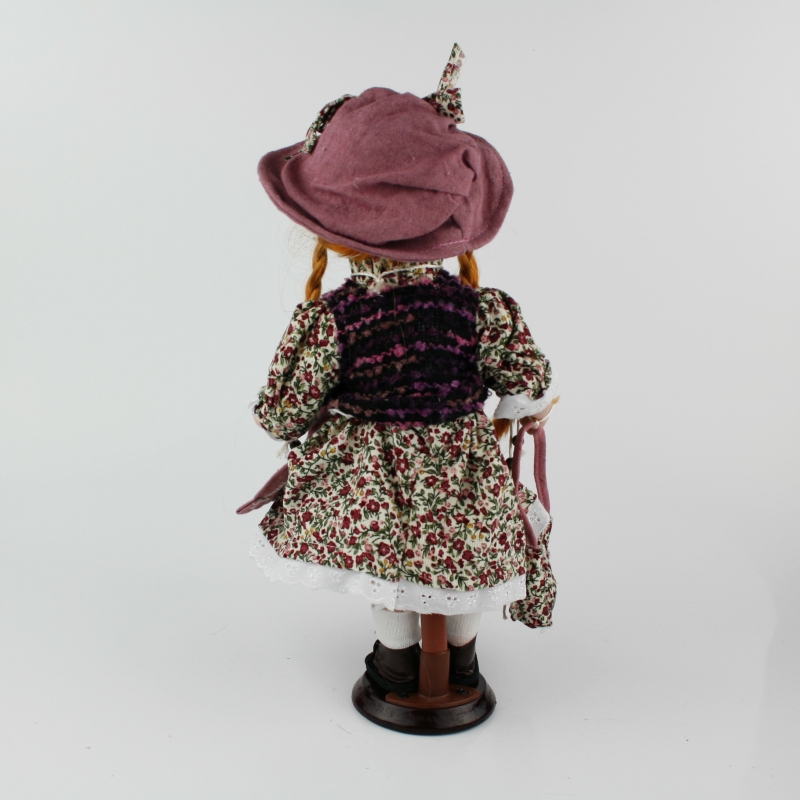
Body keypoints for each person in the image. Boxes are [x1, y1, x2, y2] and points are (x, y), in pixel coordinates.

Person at [247, 45, 557, 694]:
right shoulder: (481, 310)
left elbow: (283, 410)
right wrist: (513, 411)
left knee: (385, 568)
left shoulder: (332, 319)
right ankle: (463, 663)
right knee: (465, 560)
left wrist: (296, 426)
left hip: (371, 483)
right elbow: (528, 381)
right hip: (463, 477)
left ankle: (394, 665)